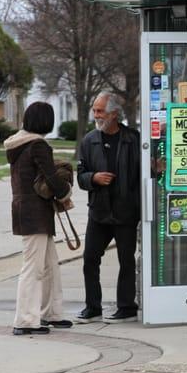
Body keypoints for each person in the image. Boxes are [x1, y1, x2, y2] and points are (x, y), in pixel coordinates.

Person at [5, 102, 73, 335]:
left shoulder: (18, 144)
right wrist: (65, 192)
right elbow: (51, 177)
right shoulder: (38, 145)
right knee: (33, 267)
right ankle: (25, 320)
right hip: (36, 212)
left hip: (26, 209)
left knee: (49, 265)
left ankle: (50, 313)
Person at [76, 91, 141, 324]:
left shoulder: (133, 139)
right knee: (90, 259)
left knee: (126, 259)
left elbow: (144, 174)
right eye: (94, 110)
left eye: (100, 111)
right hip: (99, 212)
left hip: (126, 212)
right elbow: (80, 176)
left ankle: (126, 306)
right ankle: (92, 307)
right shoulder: (89, 140)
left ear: (114, 113)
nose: (96, 115)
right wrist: (94, 178)